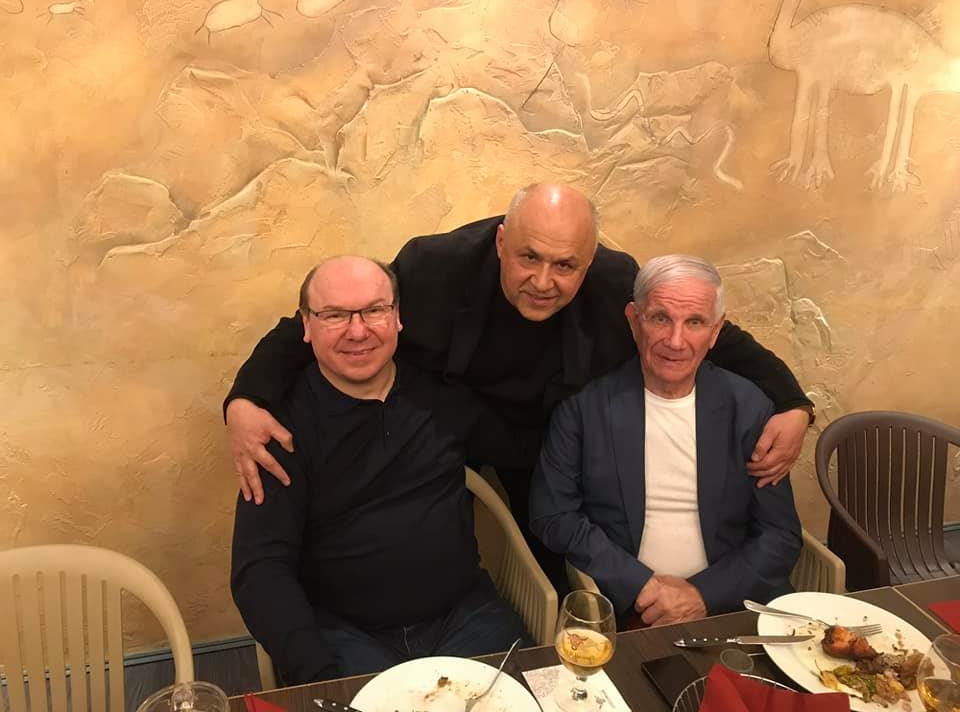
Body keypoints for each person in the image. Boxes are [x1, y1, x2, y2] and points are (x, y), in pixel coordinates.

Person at [224, 184, 812, 573]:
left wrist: (792, 404)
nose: (544, 281)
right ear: (502, 241)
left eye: (565, 265)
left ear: (590, 260)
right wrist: (245, 399)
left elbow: (707, 335)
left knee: (551, 562)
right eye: (529, 257)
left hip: (543, 435)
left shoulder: (615, 282)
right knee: (406, 545)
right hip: (443, 420)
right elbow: (325, 319)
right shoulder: (435, 264)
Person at [231, 257, 531, 684]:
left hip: (466, 616)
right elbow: (260, 567)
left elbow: (524, 447)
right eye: (334, 315)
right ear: (306, 325)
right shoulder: (280, 429)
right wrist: (318, 671)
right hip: (345, 636)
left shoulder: (444, 395)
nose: (357, 331)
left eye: (374, 310)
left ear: (398, 316)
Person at [529, 255, 802, 628]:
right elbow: (553, 514)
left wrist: (702, 595)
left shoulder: (749, 408)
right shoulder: (584, 408)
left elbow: (779, 535)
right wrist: (641, 586)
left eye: (695, 322)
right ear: (634, 320)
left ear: (715, 332)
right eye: (660, 318)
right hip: (627, 610)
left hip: (731, 606)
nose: (675, 341)